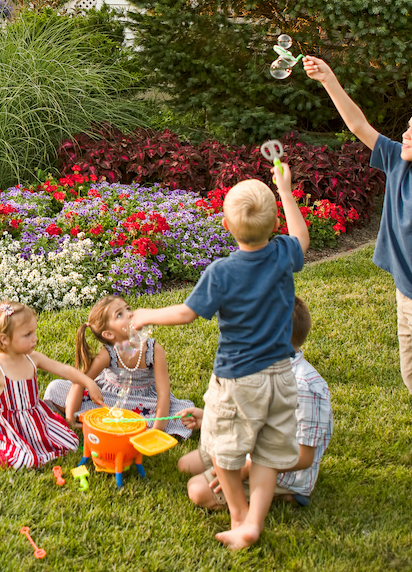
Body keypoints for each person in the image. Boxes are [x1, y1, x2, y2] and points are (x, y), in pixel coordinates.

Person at [132, 162, 310, 550]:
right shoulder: (282, 253)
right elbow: (301, 237)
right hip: (281, 375)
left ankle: (237, 515)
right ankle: (253, 522)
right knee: (266, 454)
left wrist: (146, 314)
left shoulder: (222, 272)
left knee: (224, 454)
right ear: (274, 223)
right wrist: (285, 189)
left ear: (227, 227)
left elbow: (186, 313)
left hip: (237, 381)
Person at [303, 56, 412, 507]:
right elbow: (358, 123)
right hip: (406, 293)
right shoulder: (400, 163)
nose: (406, 134)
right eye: (408, 127)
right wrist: (329, 80)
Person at [177, 296, 332, 510]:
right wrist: (208, 417)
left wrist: (249, 467)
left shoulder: (305, 388)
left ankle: (290, 494)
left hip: (281, 469)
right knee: (185, 466)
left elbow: (304, 457)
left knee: (197, 490)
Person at [0, 300, 104, 469]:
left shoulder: (33, 358)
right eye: (27, 334)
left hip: (34, 418)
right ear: (4, 339)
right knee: (25, 461)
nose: (35, 338)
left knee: (71, 442)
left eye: (34, 332)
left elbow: (65, 370)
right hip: (8, 425)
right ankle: (5, 445)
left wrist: (89, 382)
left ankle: (37, 439)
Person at [43, 295, 194, 438]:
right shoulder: (109, 353)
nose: (129, 314)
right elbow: (81, 381)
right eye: (119, 314)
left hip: (146, 402)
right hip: (110, 397)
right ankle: (133, 427)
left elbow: (164, 394)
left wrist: (156, 431)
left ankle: (109, 423)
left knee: (183, 416)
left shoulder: (153, 350)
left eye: (128, 309)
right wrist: (71, 419)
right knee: (55, 388)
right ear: (108, 334)